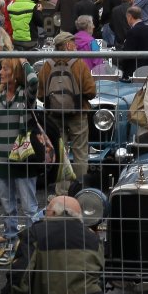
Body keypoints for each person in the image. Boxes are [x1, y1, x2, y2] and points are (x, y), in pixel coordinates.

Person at [0, 58, 46, 246]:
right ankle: (11, 241)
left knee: (29, 207)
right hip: (1, 158)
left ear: (16, 73)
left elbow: (33, 80)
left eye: (5, 69)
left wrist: (24, 62)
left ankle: (32, 244)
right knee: (7, 206)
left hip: (23, 158)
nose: (0, 72)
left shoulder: (25, 95)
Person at [35, 33, 97, 190]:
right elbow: (91, 91)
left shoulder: (47, 65)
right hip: (78, 114)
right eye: (73, 43)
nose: (75, 46)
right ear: (68, 45)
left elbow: (40, 94)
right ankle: (80, 190)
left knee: (61, 153)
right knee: (80, 153)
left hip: (54, 116)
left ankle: (61, 192)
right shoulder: (79, 64)